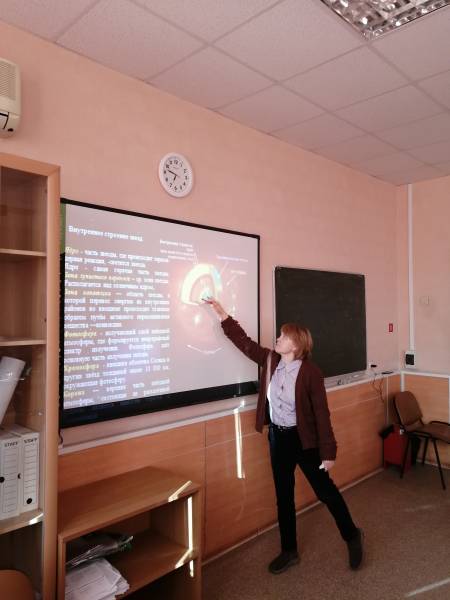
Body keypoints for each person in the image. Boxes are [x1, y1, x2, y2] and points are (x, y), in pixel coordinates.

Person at [204, 298, 364, 574]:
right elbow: (244, 343)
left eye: (283, 336)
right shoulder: (270, 360)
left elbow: (322, 414)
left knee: (325, 492)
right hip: (278, 440)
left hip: (305, 442)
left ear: (296, 345)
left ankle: (352, 535)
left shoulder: (311, 373)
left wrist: (328, 452)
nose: (277, 339)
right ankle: (289, 551)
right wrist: (222, 315)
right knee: (284, 496)